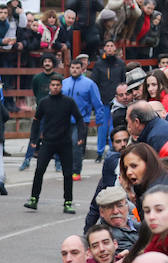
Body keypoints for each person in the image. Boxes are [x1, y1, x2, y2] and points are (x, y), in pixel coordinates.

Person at [26, 74, 85, 214]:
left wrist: (80, 136)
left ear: (61, 86)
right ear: (49, 86)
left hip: (64, 142)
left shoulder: (69, 102)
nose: (55, 87)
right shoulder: (44, 102)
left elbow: (79, 119)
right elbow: (36, 121)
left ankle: (68, 202)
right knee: (39, 170)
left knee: (67, 173)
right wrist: (33, 139)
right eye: (53, 85)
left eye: (58, 85)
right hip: (48, 141)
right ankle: (34, 199)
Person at [62, 59, 103, 181]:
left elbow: (97, 103)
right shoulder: (64, 83)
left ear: (82, 69)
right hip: (63, 120)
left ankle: (76, 171)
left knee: (76, 144)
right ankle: (66, 169)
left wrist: (99, 120)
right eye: (72, 68)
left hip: (80, 121)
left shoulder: (89, 84)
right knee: (64, 146)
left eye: (77, 68)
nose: (74, 70)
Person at [91, 41, 125, 162]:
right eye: (107, 46)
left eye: (112, 46)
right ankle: (100, 153)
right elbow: (94, 82)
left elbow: (123, 81)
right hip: (102, 100)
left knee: (114, 126)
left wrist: (121, 97)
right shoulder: (99, 64)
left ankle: (113, 150)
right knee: (102, 127)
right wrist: (96, 99)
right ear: (104, 48)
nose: (109, 48)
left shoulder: (120, 64)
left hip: (116, 100)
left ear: (115, 48)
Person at [93, 186, 139, 252]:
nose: (115, 211)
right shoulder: (105, 236)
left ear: (128, 207)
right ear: (102, 212)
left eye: (119, 206)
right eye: (109, 207)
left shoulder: (135, 220)